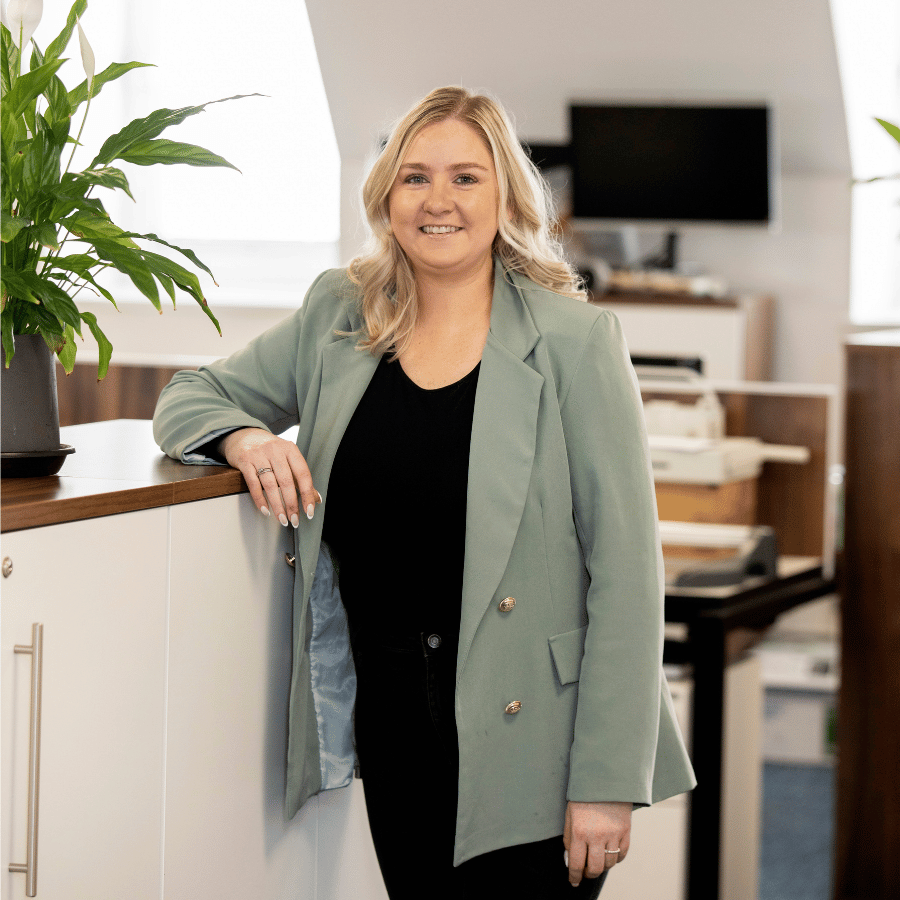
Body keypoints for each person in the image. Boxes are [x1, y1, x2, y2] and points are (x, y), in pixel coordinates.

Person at [153, 86, 696, 899]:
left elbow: (627, 577)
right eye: (415, 177)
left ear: (506, 195)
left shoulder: (576, 341)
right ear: (386, 195)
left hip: (535, 744)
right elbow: (187, 395)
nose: (438, 200)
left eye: (466, 178)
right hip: (394, 719)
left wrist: (608, 781)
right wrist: (248, 436)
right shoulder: (339, 315)